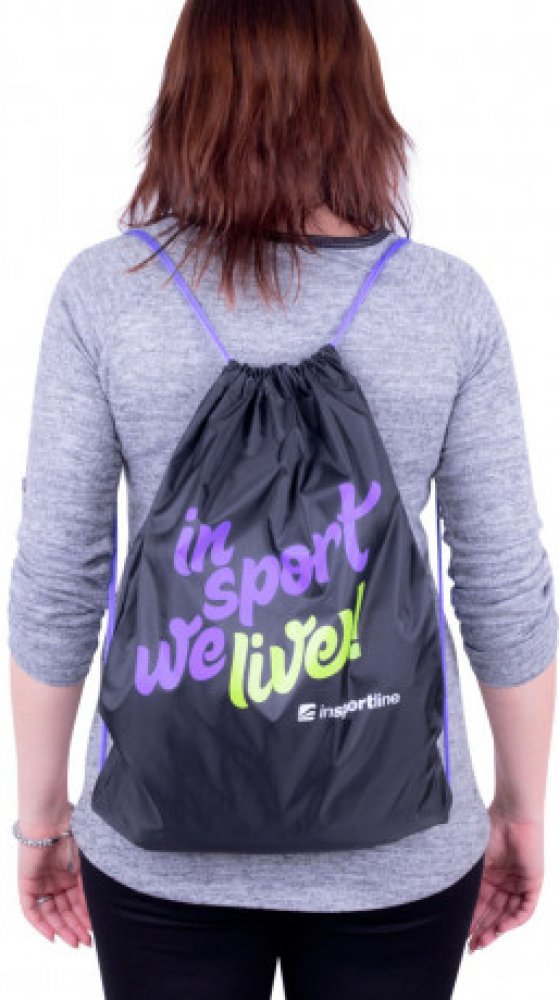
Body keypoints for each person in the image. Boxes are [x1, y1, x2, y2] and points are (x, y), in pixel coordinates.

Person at [8, 2, 557, 998]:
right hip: (400, 848)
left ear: (186, 98)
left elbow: (58, 576)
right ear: (359, 102)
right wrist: (520, 809)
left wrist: (44, 817)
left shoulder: (106, 293)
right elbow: (503, 584)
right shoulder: (446, 303)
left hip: (158, 845)